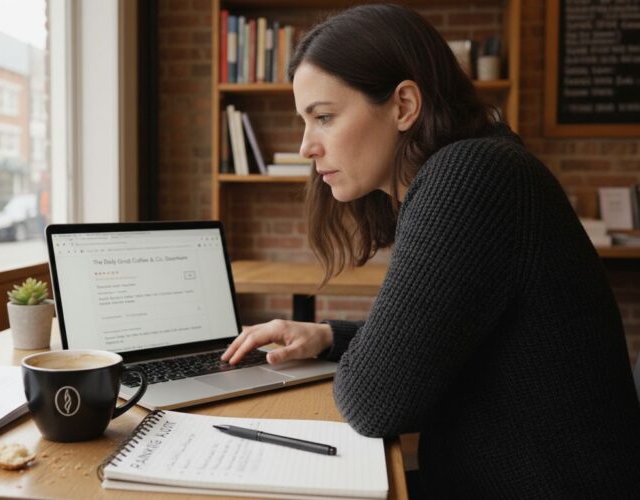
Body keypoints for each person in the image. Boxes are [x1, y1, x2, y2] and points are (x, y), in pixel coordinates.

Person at [220, 4, 640, 498]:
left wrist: (353, 352)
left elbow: (375, 400)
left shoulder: (471, 176)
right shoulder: (481, 162)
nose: (307, 146)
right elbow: (439, 341)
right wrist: (328, 335)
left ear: (403, 106)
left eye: (325, 117)